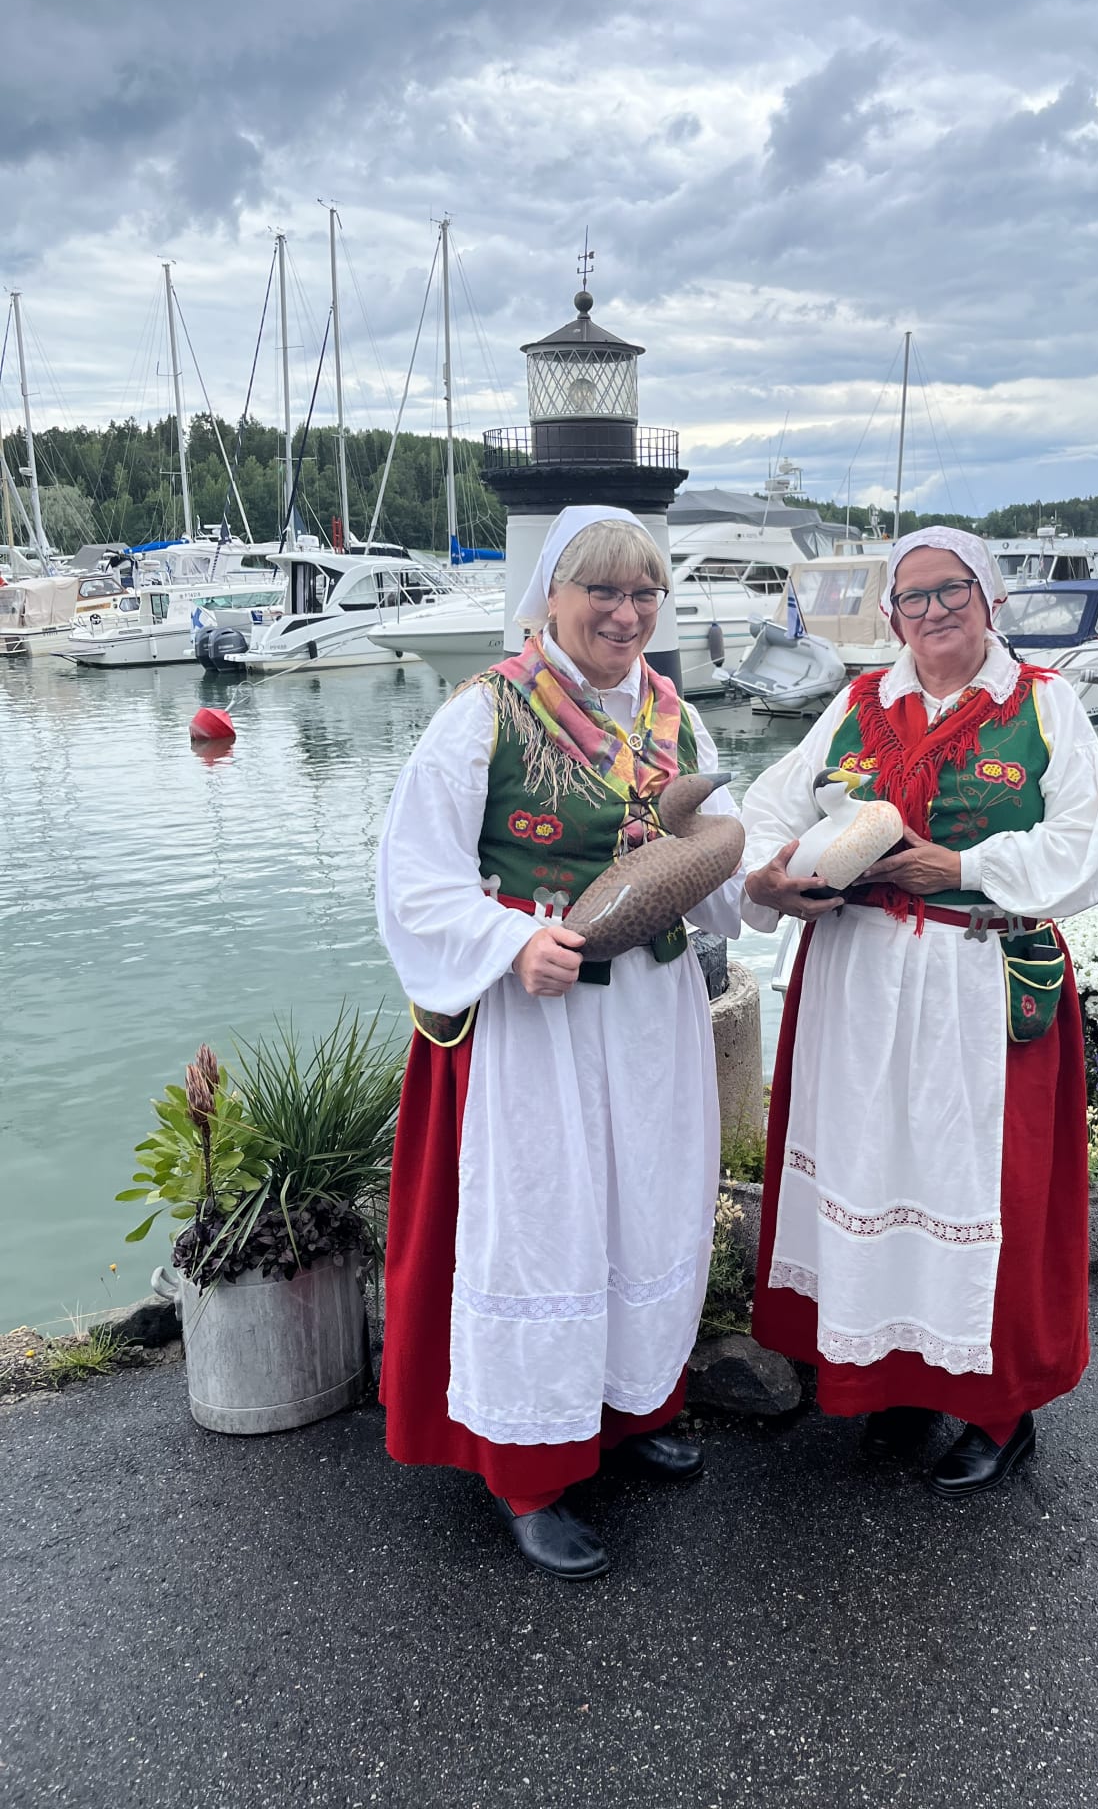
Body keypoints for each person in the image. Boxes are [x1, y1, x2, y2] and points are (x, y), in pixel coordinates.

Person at [375, 506, 743, 1580]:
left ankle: (633, 1408)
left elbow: (709, 862)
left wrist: (763, 888)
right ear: (550, 596)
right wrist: (507, 941)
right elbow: (413, 879)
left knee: (645, 1203)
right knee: (546, 1222)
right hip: (537, 1024)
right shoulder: (482, 714)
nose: (625, 614)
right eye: (602, 592)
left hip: (649, 1018)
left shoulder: (675, 717)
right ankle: (530, 1468)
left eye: (643, 594)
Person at [740, 527, 1098, 1496]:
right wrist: (774, 878)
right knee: (871, 1166)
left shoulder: (1043, 706)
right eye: (913, 598)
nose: (935, 611)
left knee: (984, 1186)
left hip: (974, 975)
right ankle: (887, 1378)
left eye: (953, 592)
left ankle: (1003, 1407)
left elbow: (1084, 847)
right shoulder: (860, 702)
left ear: (989, 600)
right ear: (891, 616)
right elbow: (773, 809)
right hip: (859, 978)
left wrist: (967, 867)